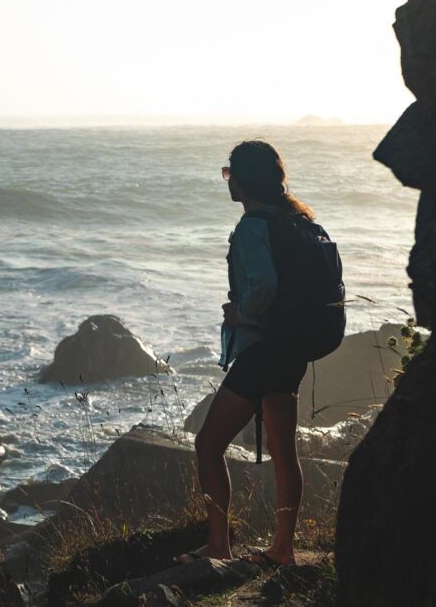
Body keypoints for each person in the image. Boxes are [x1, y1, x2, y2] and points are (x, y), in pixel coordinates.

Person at [177, 139, 317, 569]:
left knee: (208, 444)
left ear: (243, 180)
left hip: (263, 351)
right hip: (293, 346)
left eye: (229, 174)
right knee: (284, 451)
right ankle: (283, 549)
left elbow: (265, 287)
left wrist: (241, 314)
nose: (227, 181)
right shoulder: (299, 220)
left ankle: (219, 545)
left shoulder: (254, 226)